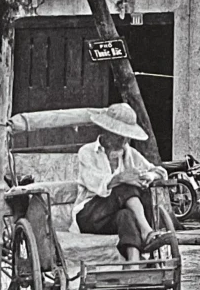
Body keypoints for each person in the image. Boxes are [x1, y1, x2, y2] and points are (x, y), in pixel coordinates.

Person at [73, 103, 172, 262]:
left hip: (112, 218)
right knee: (124, 187)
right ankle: (146, 230)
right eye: (119, 136)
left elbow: (160, 172)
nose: (123, 141)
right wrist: (121, 178)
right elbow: (94, 183)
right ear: (107, 131)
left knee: (125, 215)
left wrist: (148, 176)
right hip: (90, 214)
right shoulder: (87, 152)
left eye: (127, 136)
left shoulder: (129, 153)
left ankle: (133, 263)